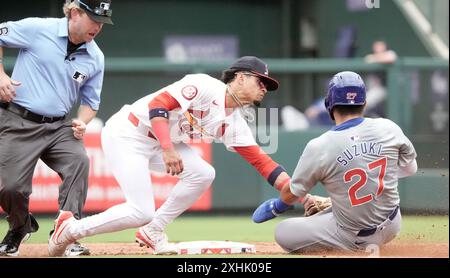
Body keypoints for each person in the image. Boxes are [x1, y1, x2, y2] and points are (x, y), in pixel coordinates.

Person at [46, 56, 293, 257]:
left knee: (204, 173)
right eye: (261, 81)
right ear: (240, 78)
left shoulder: (234, 121)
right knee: (140, 211)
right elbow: (158, 104)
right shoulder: (205, 86)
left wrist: (295, 189)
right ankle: (69, 228)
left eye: (267, 86)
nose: (264, 88)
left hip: (160, 143)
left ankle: (153, 230)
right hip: (128, 133)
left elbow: (262, 161)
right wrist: (168, 148)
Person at [252, 71, 417, 253]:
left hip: (352, 236)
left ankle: (352, 246)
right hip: (393, 225)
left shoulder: (320, 146)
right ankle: (337, 210)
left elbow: (293, 192)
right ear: (365, 102)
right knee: (351, 206)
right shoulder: (388, 127)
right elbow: (410, 169)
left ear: (328, 104)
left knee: (282, 231)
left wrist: (277, 206)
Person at [0, 0, 113, 257]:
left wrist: (83, 121)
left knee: (79, 162)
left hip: (59, 126)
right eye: (94, 20)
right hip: (18, 122)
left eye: (102, 23)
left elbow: (90, 103)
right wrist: (1, 75)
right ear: (75, 13)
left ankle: (68, 234)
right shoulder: (38, 28)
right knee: (10, 189)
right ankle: (19, 227)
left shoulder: (95, 56)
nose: (98, 27)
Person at [364, 40, 397, 118]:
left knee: (366, 101)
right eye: (377, 47)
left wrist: (375, 59)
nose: (379, 48)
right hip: (376, 88)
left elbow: (391, 58)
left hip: (390, 89)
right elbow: (367, 59)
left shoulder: (390, 53)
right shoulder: (371, 56)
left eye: (381, 46)